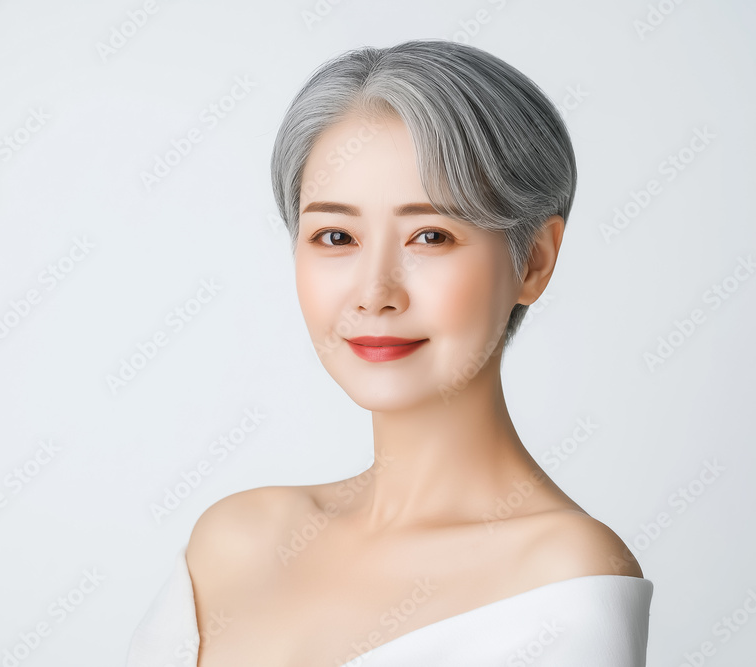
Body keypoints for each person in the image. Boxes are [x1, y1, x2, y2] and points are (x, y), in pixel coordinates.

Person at [126, 38, 653, 667]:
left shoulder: (564, 575)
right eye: (335, 235)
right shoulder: (234, 541)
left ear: (533, 261)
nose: (375, 293)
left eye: (430, 235)